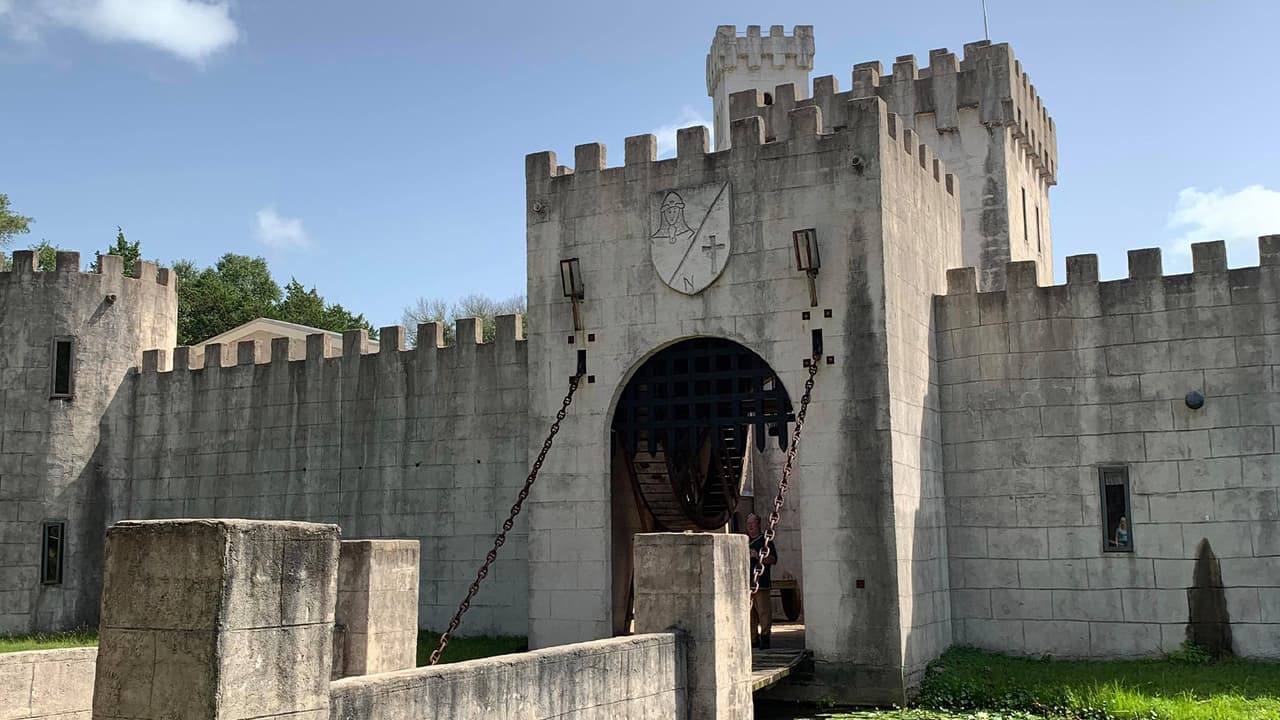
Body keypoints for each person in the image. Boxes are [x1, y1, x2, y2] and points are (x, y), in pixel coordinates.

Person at [746, 513, 777, 649]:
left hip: (761, 582)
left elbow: (773, 559)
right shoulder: (744, 540)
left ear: (758, 524)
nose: (750, 526)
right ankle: (753, 639)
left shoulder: (766, 540)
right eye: (748, 524)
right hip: (747, 583)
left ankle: (765, 637)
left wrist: (758, 556)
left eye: (753, 523)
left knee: (764, 612)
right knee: (750, 613)